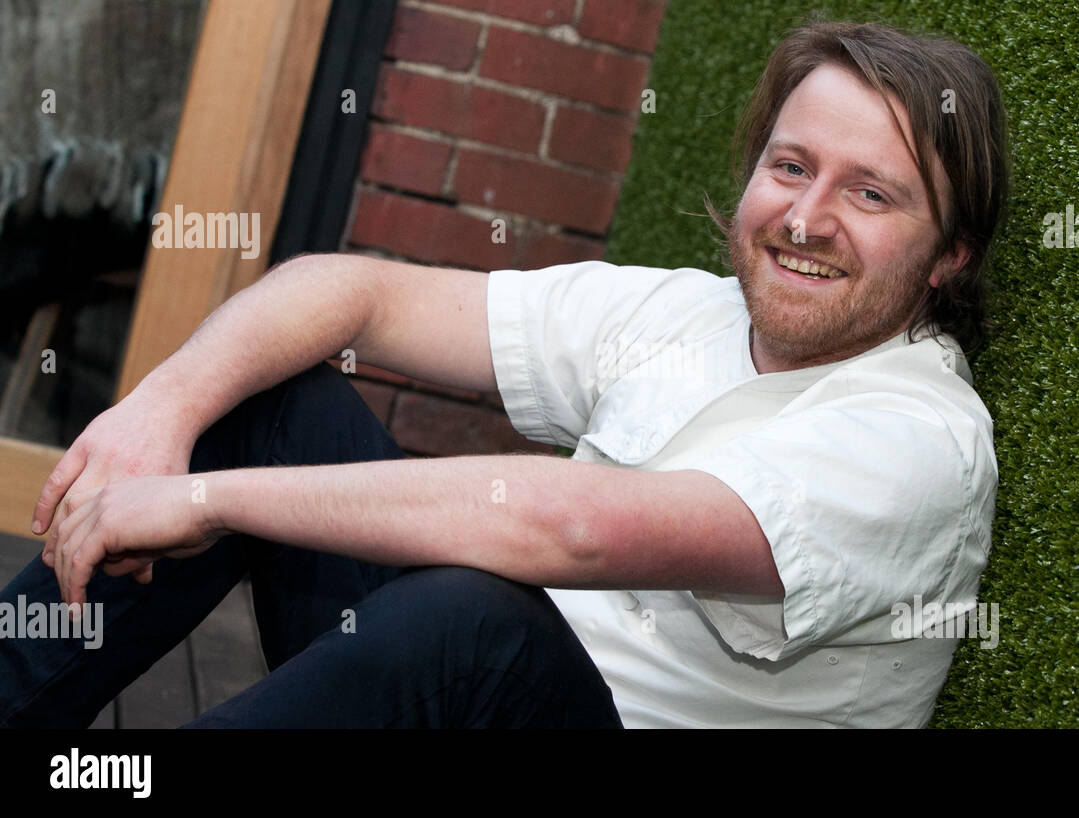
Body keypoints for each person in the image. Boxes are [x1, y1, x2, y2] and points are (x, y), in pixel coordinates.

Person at [0, 19, 1008, 728]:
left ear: (950, 252)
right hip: (451, 686)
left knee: (477, 621)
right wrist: (160, 420)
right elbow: (346, 290)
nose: (803, 216)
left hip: (503, 685)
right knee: (267, 394)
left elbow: (570, 524)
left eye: (869, 193)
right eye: (790, 167)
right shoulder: (687, 312)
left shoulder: (920, 439)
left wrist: (208, 499)